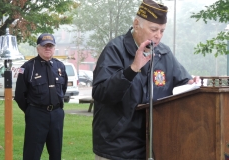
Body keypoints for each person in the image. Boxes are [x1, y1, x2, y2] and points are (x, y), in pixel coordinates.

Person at [92, 0, 200, 160]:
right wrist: (132, 69)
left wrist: (192, 83)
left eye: (162, 31)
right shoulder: (115, 49)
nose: (158, 35)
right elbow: (101, 93)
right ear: (136, 25)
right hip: (118, 147)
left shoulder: (164, 53)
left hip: (154, 144)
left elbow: (182, 83)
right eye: (154, 29)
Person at [14, 33, 68, 160]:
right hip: (37, 115)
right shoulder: (27, 67)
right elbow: (20, 95)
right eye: (44, 46)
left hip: (56, 114)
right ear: (38, 48)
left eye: (50, 46)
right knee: (32, 153)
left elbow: (63, 89)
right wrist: (31, 111)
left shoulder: (60, 66)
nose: (48, 48)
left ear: (54, 48)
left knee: (56, 153)